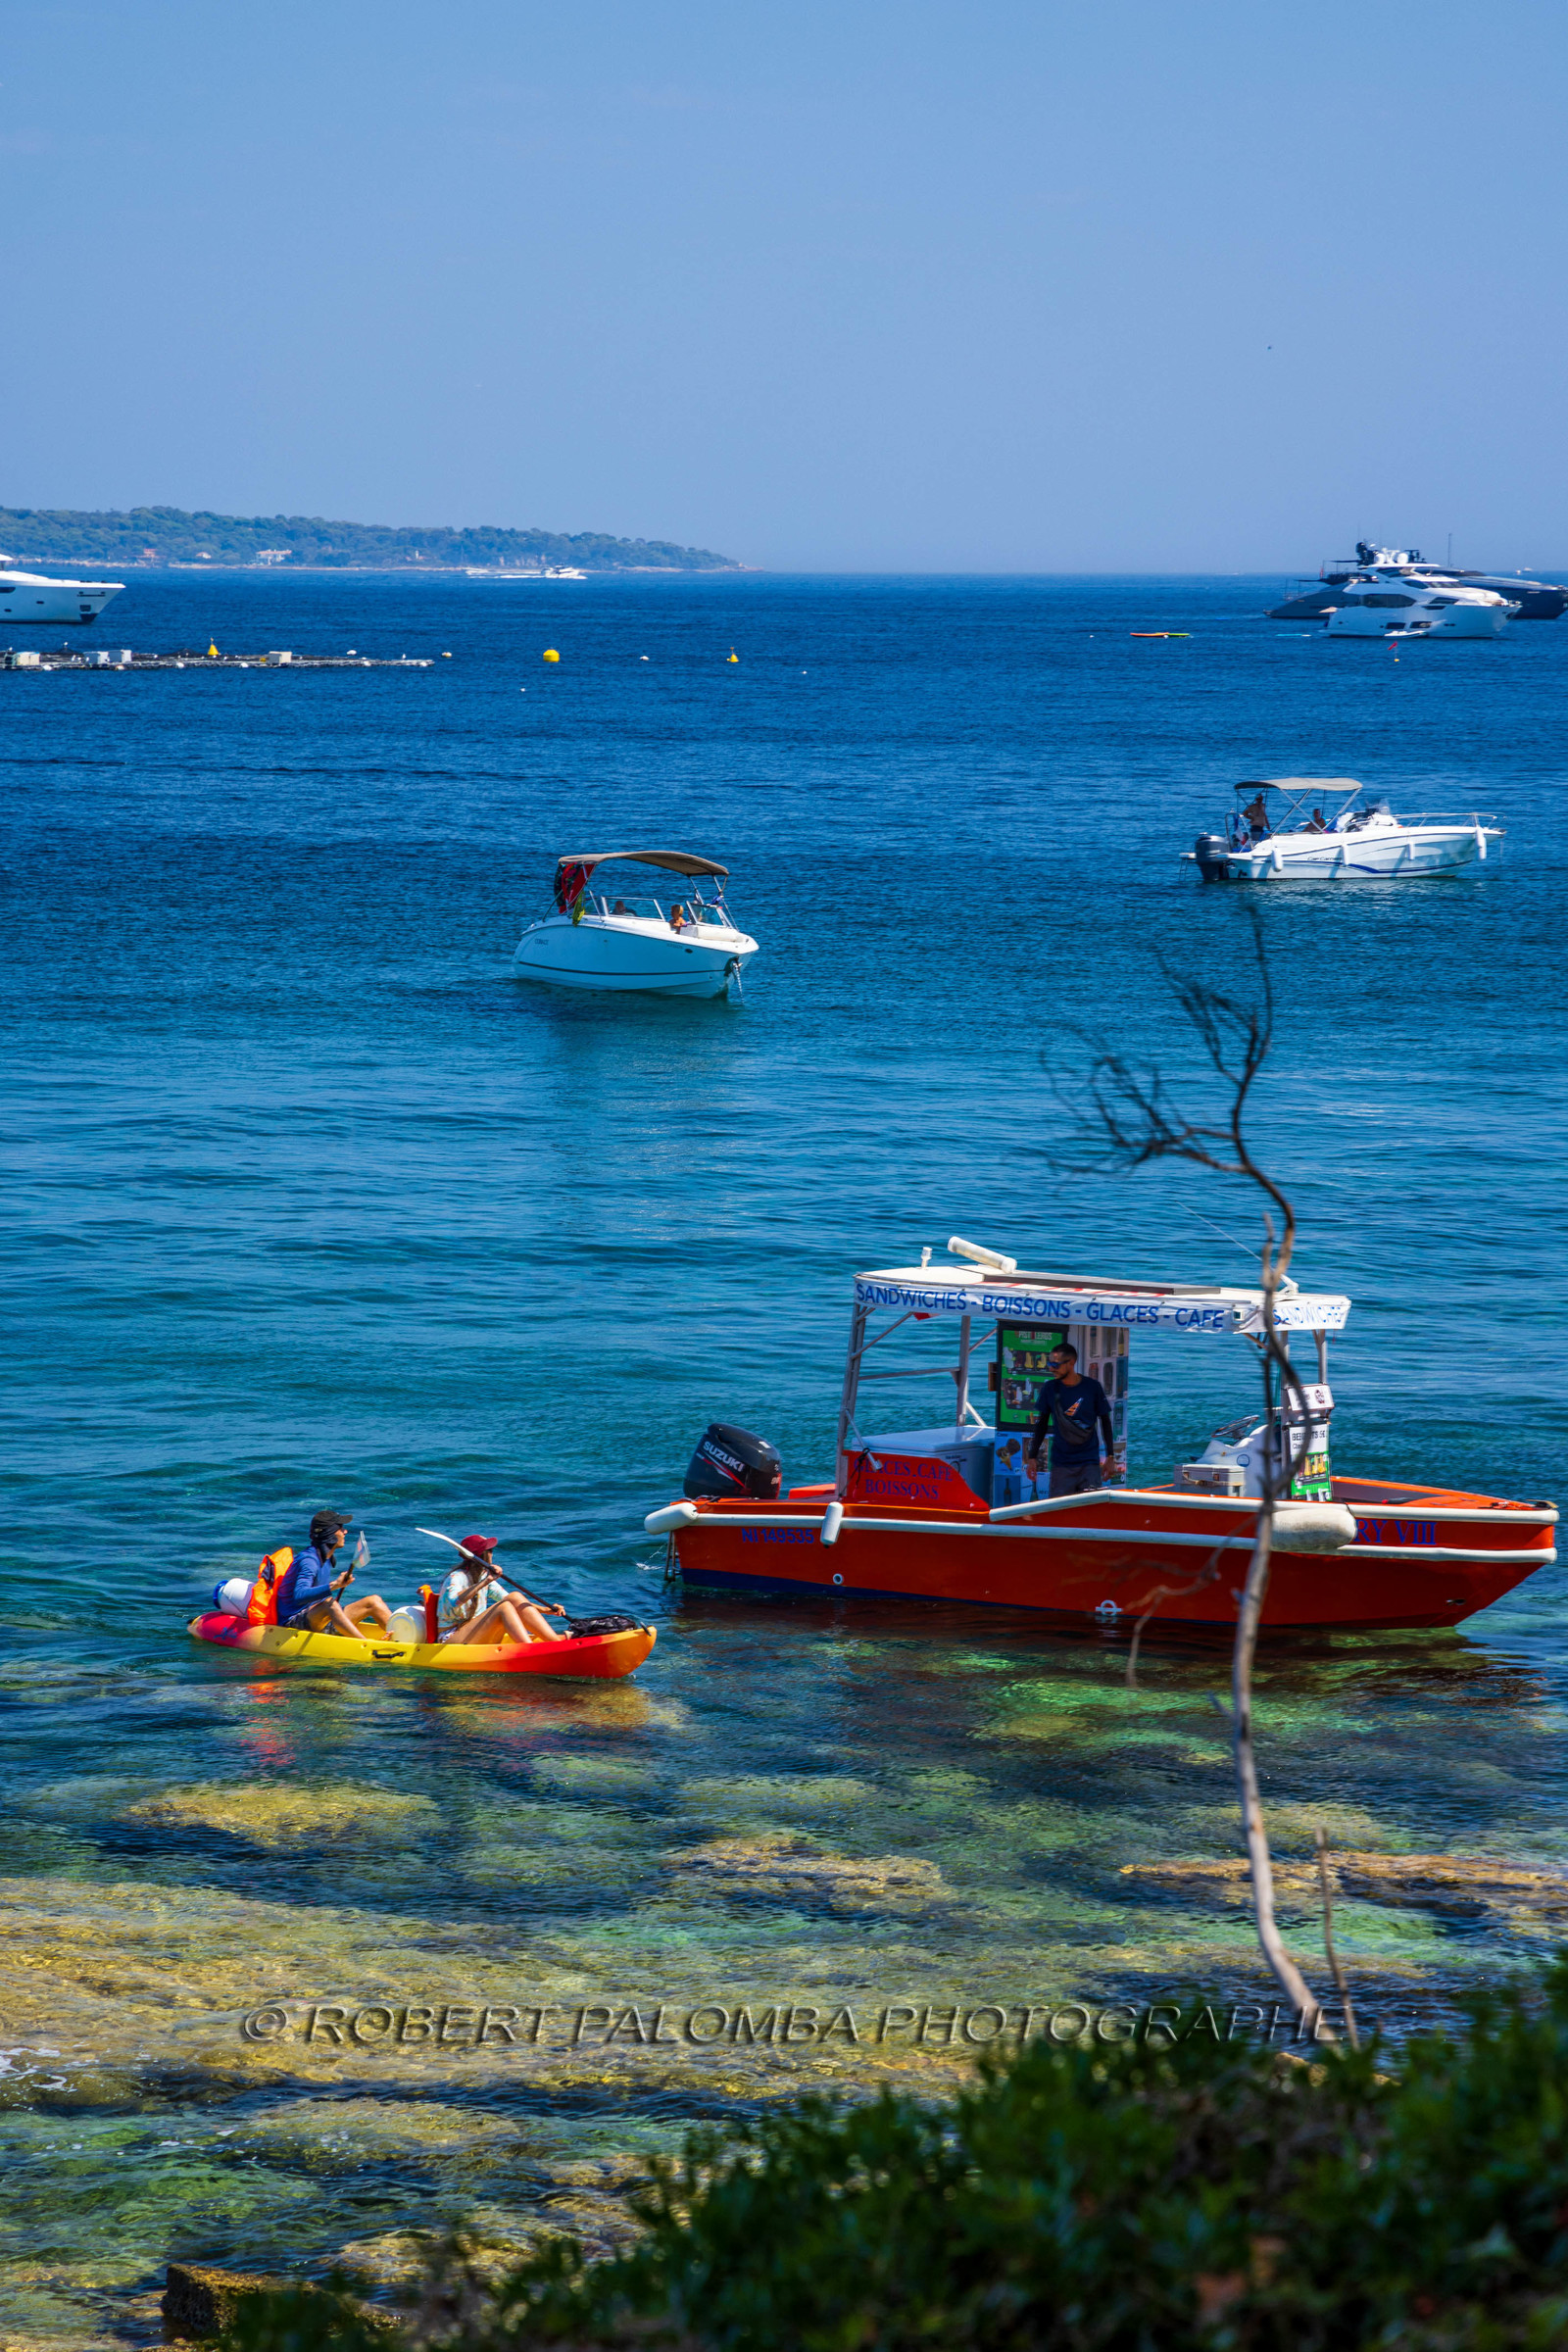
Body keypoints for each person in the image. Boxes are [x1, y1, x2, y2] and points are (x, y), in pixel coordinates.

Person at [276, 1509, 393, 1639]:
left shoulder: (325, 1557)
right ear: (329, 1533)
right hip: (293, 1622)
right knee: (329, 1603)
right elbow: (299, 1595)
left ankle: (403, 1639)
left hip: (319, 1617)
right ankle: (365, 1644)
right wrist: (334, 1586)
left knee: (374, 1601)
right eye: (341, 1528)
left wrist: (339, 1584)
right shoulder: (309, 1561)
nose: (345, 1532)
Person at [438, 1535, 567, 1646]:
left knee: (514, 1596)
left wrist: (546, 1610)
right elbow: (455, 1602)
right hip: (452, 1637)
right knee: (504, 1607)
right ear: (482, 1555)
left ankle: (555, 1642)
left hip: (475, 1631)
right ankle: (528, 1648)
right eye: (490, 1550)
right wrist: (485, 1582)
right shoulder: (456, 1577)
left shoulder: (483, 1575)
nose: (492, 1553)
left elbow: (513, 1601)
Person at [1025, 1345, 1120, 1496]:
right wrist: (1032, 1457)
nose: (1051, 1369)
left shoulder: (1092, 1387)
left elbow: (1105, 1422)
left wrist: (1110, 1457)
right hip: (1061, 1464)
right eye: (1049, 1364)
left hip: (1089, 1463)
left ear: (1071, 1363)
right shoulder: (1050, 1388)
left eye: (1055, 1365)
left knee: (1089, 1513)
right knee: (1060, 1514)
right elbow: (1041, 1425)